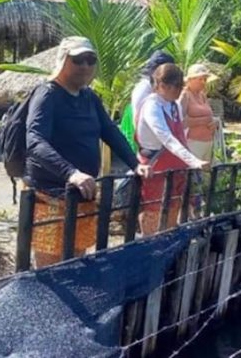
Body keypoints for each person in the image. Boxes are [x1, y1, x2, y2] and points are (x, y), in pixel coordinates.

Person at [24, 36, 150, 267]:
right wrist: (71, 173)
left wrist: (135, 163)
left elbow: (109, 131)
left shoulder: (89, 97)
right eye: (78, 59)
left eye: (90, 60)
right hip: (50, 194)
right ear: (63, 61)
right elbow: (35, 140)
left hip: (83, 193)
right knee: (50, 266)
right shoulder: (47, 95)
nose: (85, 66)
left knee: (76, 258)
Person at [136, 63, 210, 235]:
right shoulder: (151, 106)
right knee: (153, 210)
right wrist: (193, 161)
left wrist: (189, 161)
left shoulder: (173, 106)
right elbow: (167, 138)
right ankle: (150, 246)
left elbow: (180, 137)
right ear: (162, 85)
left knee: (173, 207)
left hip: (176, 166)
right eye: (176, 86)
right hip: (156, 165)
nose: (179, 90)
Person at [179, 64, 219, 162]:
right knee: (194, 174)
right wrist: (202, 121)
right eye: (200, 79)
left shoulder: (202, 95)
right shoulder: (184, 95)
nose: (203, 82)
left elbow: (209, 116)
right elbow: (180, 122)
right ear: (190, 80)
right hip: (193, 143)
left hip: (208, 142)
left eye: (205, 79)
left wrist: (215, 122)